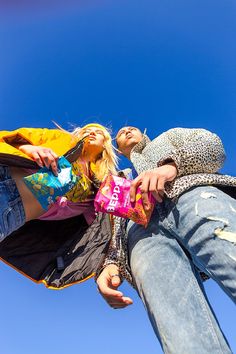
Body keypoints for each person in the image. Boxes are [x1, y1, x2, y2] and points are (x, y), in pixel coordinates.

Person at [97, 126, 236, 354]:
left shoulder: (169, 137)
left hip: (193, 195)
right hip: (142, 235)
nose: (127, 130)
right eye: (120, 133)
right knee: (180, 332)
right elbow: (115, 225)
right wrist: (111, 262)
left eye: (131, 128)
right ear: (119, 151)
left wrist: (170, 167)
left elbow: (214, 147)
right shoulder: (120, 179)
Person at [0, 123, 118, 289]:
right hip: (6, 173)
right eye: (86, 130)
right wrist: (29, 149)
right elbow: (10, 137)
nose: (91, 132)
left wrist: (106, 268)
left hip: (12, 215)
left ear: (105, 144)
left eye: (98, 132)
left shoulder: (98, 190)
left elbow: (102, 234)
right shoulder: (61, 138)